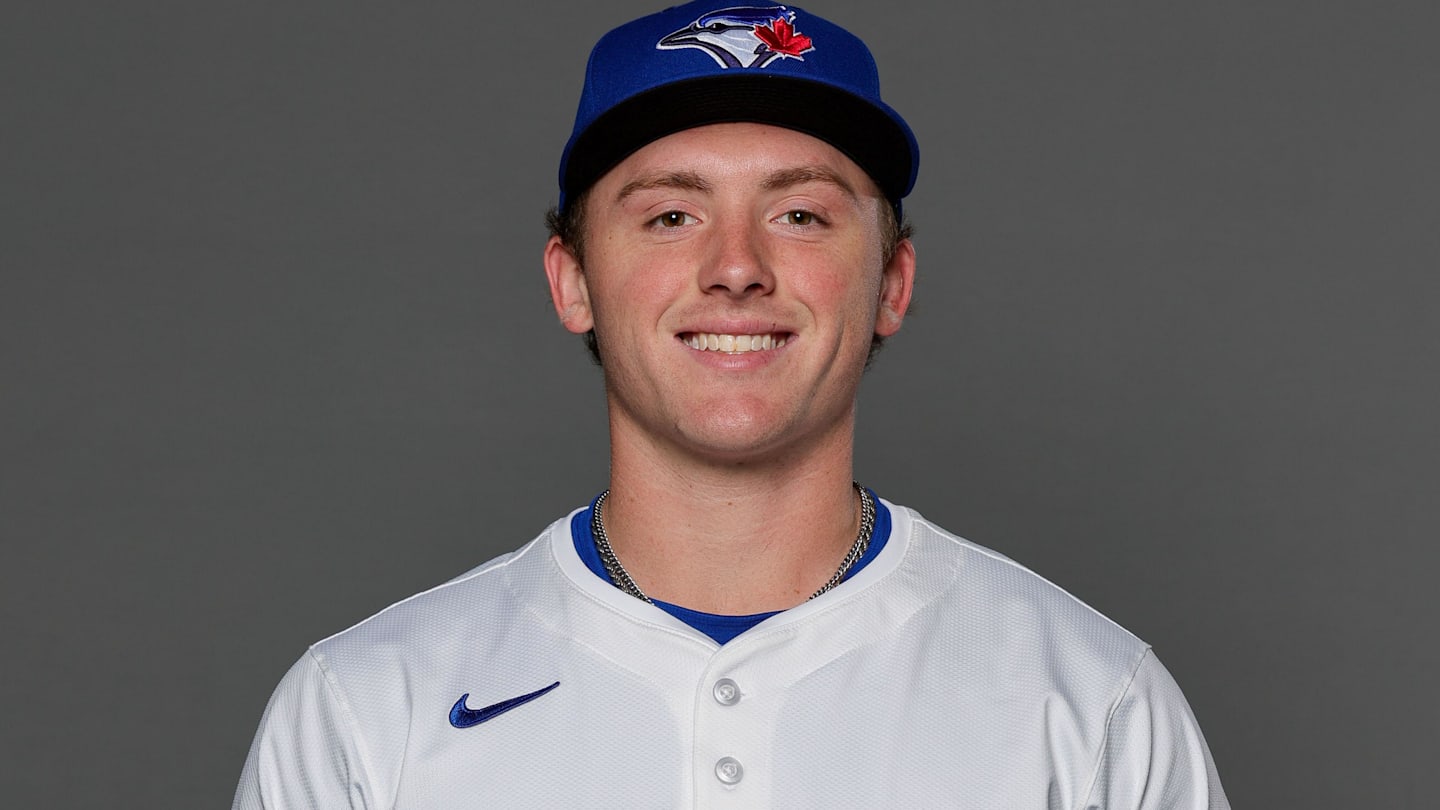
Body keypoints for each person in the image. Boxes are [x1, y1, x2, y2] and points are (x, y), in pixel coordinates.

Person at [233, 3, 1229, 807]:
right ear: (572, 278)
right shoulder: (366, 712)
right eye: (671, 214)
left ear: (891, 280)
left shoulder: (1091, 705)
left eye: (799, 214)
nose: (738, 268)